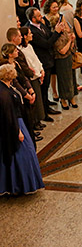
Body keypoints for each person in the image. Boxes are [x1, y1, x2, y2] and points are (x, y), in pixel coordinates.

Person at [0, 63, 45, 196]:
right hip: (15, 125)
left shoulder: (7, 88)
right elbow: (9, 115)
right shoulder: (4, 93)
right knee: (25, 153)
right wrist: (18, 131)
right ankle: (23, 184)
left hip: (17, 122)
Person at [26, 7, 64, 121]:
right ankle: (44, 112)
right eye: (38, 16)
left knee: (46, 86)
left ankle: (47, 105)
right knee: (43, 88)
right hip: (42, 61)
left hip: (49, 59)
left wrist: (56, 31)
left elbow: (48, 35)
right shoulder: (31, 30)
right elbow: (47, 43)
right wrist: (56, 33)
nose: (41, 17)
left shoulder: (41, 25)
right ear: (33, 18)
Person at [18, 27, 46, 131]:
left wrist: (41, 70)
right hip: (33, 77)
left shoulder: (29, 46)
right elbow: (29, 65)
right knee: (34, 102)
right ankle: (35, 122)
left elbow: (36, 59)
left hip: (38, 75)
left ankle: (38, 120)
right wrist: (38, 74)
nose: (32, 35)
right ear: (25, 36)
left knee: (39, 100)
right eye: (29, 33)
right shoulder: (21, 50)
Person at [51, 17, 78, 110]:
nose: (64, 26)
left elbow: (70, 48)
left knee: (71, 78)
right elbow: (62, 51)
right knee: (63, 80)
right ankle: (63, 99)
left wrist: (72, 40)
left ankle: (71, 97)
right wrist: (70, 41)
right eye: (61, 25)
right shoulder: (54, 36)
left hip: (69, 58)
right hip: (61, 60)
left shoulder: (65, 33)